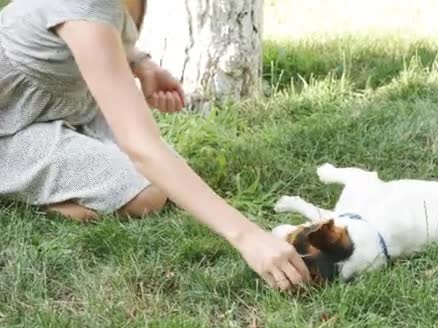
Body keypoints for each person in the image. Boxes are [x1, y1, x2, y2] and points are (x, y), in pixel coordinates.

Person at [0, 0, 310, 290]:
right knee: (147, 195)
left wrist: (143, 64)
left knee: (162, 181)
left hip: (64, 107)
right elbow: (142, 147)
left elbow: (106, 32)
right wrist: (250, 237)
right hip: (10, 122)